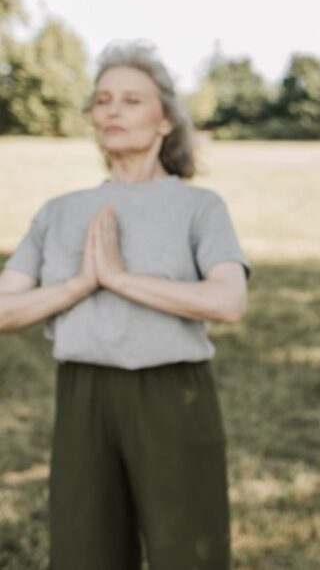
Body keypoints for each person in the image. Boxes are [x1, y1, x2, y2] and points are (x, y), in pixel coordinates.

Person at [0, 42, 250, 570]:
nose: (113, 110)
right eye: (103, 99)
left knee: (189, 552)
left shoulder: (198, 207)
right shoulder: (59, 212)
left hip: (173, 394)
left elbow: (229, 301)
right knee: (83, 551)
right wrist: (80, 285)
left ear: (165, 121)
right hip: (83, 395)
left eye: (132, 100)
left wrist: (120, 278)